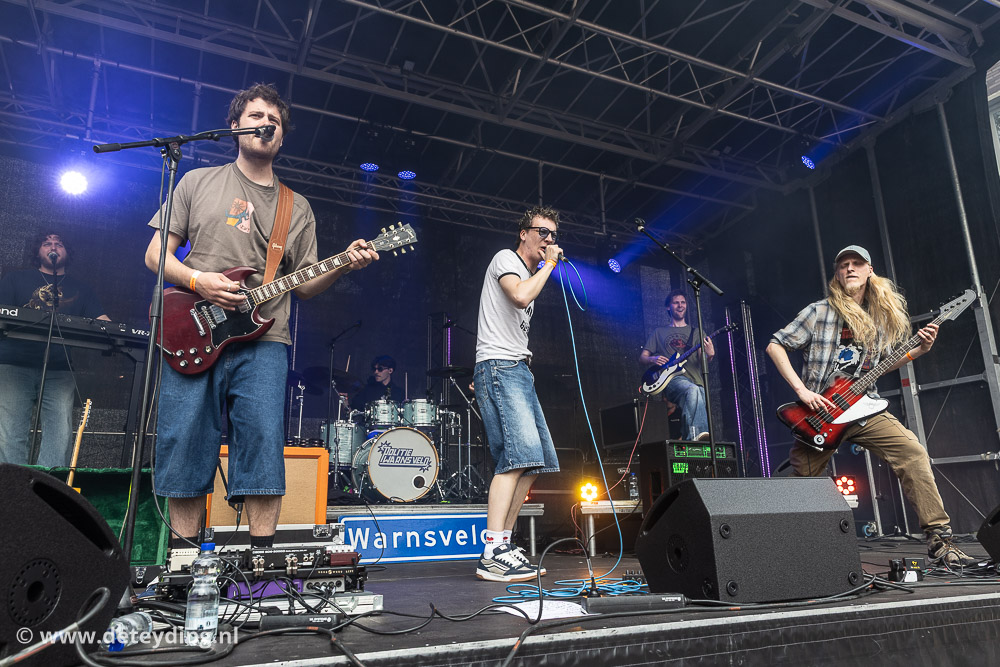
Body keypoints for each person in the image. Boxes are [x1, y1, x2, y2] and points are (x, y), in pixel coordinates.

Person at [144, 83, 377, 549]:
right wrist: (199, 281)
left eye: (274, 120)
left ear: (282, 136)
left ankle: (262, 561)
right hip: (193, 329)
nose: (266, 123)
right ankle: (183, 563)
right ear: (234, 126)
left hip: (266, 342)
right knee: (184, 442)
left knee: (262, 446)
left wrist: (343, 265)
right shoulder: (197, 182)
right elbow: (155, 256)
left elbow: (304, 284)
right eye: (255, 115)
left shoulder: (297, 207)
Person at [766, 244, 975, 567]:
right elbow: (775, 345)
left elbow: (881, 365)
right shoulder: (819, 311)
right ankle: (773, 546)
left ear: (869, 271)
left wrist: (919, 351)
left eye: (856, 263)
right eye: (843, 265)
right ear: (837, 275)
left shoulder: (878, 318)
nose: (849, 268)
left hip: (865, 408)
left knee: (912, 452)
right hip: (821, 414)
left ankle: (940, 541)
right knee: (803, 483)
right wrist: (802, 391)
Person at [473, 205, 562, 582]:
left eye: (553, 235)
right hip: (500, 366)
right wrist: (550, 265)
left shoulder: (530, 273)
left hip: (517, 370)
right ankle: (492, 551)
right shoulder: (506, 259)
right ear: (523, 233)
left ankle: (503, 545)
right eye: (542, 232)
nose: (548, 240)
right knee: (513, 460)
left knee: (532, 461)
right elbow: (519, 297)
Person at [0, 232, 109, 466]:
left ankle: (47, 484)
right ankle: (12, 484)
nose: (53, 247)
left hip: (59, 369)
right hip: (13, 365)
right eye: (46, 243)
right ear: (37, 251)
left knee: (59, 435)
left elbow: (102, 321)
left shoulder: (81, 289)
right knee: (11, 432)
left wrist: (119, 330)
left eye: (59, 244)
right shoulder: (15, 279)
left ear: (67, 252)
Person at [639, 289, 714, 441]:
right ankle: (698, 436)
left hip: (695, 380)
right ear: (668, 307)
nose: (680, 305)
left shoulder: (697, 332)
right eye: (676, 303)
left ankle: (690, 441)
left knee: (696, 394)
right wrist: (653, 359)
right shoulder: (659, 332)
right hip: (671, 380)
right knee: (693, 391)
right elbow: (642, 357)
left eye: (683, 302)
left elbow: (703, 360)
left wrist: (710, 355)